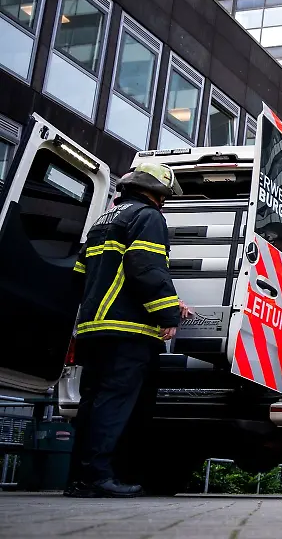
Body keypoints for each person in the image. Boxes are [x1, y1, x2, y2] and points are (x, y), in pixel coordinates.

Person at [66, 163, 186, 498]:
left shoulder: (103, 220)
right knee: (115, 403)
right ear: (157, 192)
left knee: (92, 402)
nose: (165, 202)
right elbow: (145, 268)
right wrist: (167, 315)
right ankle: (99, 477)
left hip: (93, 328)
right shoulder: (148, 218)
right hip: (128, 329)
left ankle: (79, 479)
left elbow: (80, 274)